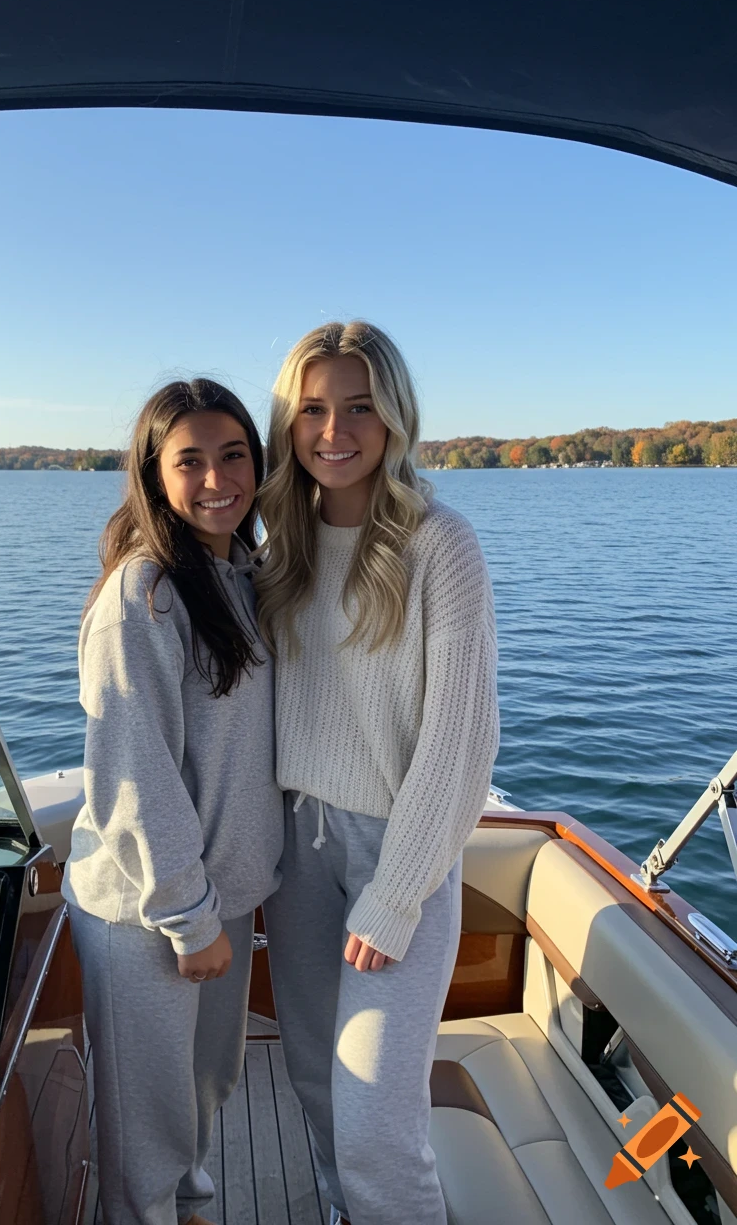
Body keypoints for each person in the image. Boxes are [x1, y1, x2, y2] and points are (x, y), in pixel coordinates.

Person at [256, 321, 500, 1225]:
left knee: (375, 1123)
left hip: (401, 856)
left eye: (359, 406)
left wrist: (397, 893)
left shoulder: (442, 545)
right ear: (289, 422)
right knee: (320, 1085)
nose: (335, 429)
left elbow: (461, 739)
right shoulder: (277, 548)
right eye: (313, 408)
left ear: (394, 416)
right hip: (296, 851)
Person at [63, 379, 284, 1225]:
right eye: (189, 461)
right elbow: (133, 775)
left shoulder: (244, 575)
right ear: (155, 475)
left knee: (203, 1092)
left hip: (218, 895)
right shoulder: (144, 595)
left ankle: (190, 1210)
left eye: (234, 456)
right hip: (149, 912)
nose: (217, 478)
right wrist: (189, 919)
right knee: (148, 1127)